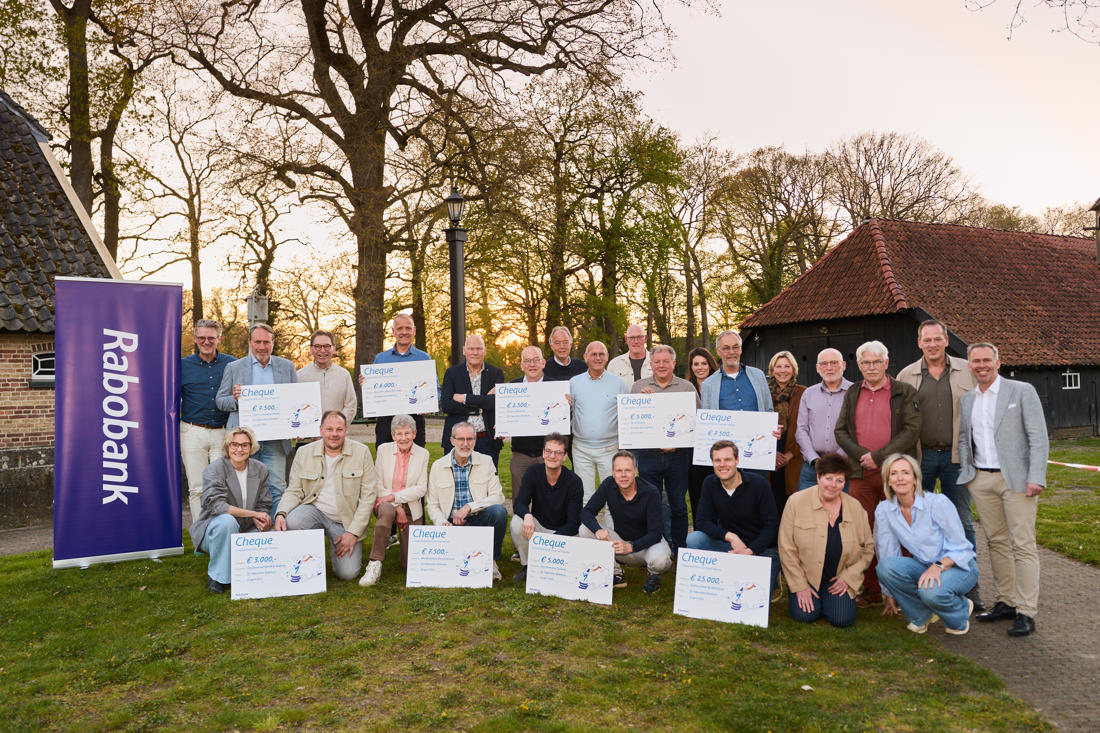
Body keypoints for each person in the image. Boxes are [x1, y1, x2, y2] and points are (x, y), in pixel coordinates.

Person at [958, 342, 1048, 637]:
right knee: (995, 541)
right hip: (982, 480)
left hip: (1018, 481)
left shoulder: (1021, 391)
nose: (981, 365)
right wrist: (969, 475)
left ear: (998, 363)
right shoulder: (968, 399)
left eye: (987, 360)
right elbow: (964, 439)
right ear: (969, 365)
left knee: (1022, 544)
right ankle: (1006, 601)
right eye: (976, 361)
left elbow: (1038, 437)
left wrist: (1036, 476)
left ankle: (1026, 611)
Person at [896, 319, 982, 611]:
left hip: (956, 458)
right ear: (919, 343)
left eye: (937, 339)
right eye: (927, 340)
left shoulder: (967, 371)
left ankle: (969, 586)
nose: (932, 344)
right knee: (916, 521)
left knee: (962, 521)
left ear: (946, 341)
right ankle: (920, 586)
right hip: (919, 459)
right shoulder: (906, 375)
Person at [833, 340, 920, 605]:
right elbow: (840, 431)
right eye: (866, 362)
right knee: (864, 531)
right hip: (861, 474)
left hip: (896, 475)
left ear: (886, 362)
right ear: (859, 365)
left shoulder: (904, 391)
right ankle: (871, 589)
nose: (871, 367)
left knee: (902, 529)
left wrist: (879, 457)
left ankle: (904, 591)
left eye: (876, 362)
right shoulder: (852, 392)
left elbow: (911, 430)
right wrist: (863, 456)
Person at [876, 453, 978, 635]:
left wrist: (938, 566)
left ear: (915, 478)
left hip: (959, 565)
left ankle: (960, 611)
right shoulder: (884, 509)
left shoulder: (937, 503)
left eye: (906, 473)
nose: (900, 478)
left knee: (930, 593)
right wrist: (890, 592)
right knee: (885, 566)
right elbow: (887, 551)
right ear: (888, 481)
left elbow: (962, 548)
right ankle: (921, 616)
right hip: (924, 565)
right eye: (894, 473)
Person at [274, 411, 380, 581]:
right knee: (293, 521)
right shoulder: (304, 452)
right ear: (321, 430)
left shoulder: (362, 452)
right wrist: (281, 513)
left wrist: (353, 533)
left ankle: (336, 547)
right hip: (314, 511)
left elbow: (368, 498)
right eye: (329, 429)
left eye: (339, 429)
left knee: (347, 574)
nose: (334, 434)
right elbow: (294, 490)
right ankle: (309, 558)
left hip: (345, 521)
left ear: (346, 430)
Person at [777, 453, 874, 627]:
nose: (833, 485)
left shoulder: (855, 507)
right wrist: (800, 586)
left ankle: (828, 600)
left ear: (845, 483)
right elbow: (786, 547)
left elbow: (868, 548)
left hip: (837, 579)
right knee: (805, 615)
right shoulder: (795, 502)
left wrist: (848, 577)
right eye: (828, 478)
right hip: (806, 577)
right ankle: (814, 599)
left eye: (839, 481)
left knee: (842, 619)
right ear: (818, 477)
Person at [215, 322, 297, 515]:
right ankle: (248, 529)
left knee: (277, 487)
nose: (262, 346)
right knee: (242, 489)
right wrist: (236, 400)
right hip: (244, 442)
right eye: (257, 342)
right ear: (250, 343)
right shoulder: (234, 367)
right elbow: (220, 401)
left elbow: (295, 402)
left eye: (266, 342)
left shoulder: (287, 367)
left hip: (275, 440)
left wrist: (298, 427)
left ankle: (277, 527)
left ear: (273, 343)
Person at [686, 440, 780, 595]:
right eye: (717, 460)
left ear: (737, 460)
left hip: (762, 549)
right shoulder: (710, 483)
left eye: (727, 459)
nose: (722, 465)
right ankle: (715, 580)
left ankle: (764, 576)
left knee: (754, 596)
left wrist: (751, 550)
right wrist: (730, 536)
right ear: (712, 463)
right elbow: (702, 521)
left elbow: (772, 525)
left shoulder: (759, 484)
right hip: (732, 547)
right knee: (694, 539)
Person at [632, 344, 700, 551]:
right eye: (657, 362)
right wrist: (639, 402)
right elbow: (631, 421)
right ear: (651, 364)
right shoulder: (639, 387)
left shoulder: (687, 388)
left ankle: (679, 548)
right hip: (648, 455)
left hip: (678, 456)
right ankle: (655, 546)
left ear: (674, 363)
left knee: (678, 504)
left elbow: (698, 420)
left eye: (666, 361)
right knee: (650, 502)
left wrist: (679, 442)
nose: (661, 365)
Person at [189, 426, 272, 593]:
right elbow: (218, 506)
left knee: (276, 531)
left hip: (246, 527)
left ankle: (256, 573)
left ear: (251, 447)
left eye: (244, 445)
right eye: (234, 445)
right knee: (227, 522)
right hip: (215, 529)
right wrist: (254, 514)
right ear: (227, 447)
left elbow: (264, 503)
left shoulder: (260, 469)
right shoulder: (215, 469)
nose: (239, 449)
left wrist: (262, 518)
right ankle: (217, 577)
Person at [579, 450, 672, 593]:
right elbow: (586, 512)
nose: (623, 475)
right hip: (620, 544)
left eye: (628, 470)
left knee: (660, 560)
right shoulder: (608, 484)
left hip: (647, 546)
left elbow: (656, 533)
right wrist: (598, 530)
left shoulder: (650, 492)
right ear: (613, 473)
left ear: (635, 471)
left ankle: (653, 574)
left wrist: (631, 546)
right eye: (619, 471)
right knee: (584, 529)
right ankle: (617, 574)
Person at [425, 421, 509, 581]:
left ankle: (490, 558)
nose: (465, 444)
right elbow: (432, 505)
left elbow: (498, 496)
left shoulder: (486, 461)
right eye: (461, 439)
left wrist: (470, 507)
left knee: (499, 512)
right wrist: (442, 523)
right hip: (451, 524)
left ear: (475, 440)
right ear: (452, 440)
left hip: (479, 519)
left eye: (470, 439)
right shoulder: (438, 466)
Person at [359, 414, 429, 587]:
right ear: (393, 435)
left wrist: (395, 497)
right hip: (386, 503)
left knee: (409, 564)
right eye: (399, 434)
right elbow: (377, 483)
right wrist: (397, 506)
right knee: (387, 511)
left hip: (410, 504)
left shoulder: (423, 454)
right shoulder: (383, 450)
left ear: (414, 434)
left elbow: (421, 488)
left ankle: (404, 554)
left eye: (407, 433)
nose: (403, 438)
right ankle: (374, 563)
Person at [699, 330, 779, 480]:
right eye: (726, 348)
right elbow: (707, 422)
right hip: (726, 456)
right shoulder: (708, 384)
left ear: (741, 349)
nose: (731, 352)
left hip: (757, 454)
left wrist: (773, 428)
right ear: (718, 351)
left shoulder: (758, 376)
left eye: (735, 347)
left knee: (757, 490)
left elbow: (768, 410)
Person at [509, 433, 584, 583]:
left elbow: (574, 523)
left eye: (558, 453)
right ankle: (528, 565)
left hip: (566, 533)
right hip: (540, 528)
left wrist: (549, 543)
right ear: (543, 453)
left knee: (583, 533)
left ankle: (557, 565)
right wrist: (528, 516)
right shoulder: (533, 472)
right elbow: (519, 503)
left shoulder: (574, 481)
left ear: (565, 456)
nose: (552, 456)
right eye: (548, 451)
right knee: (517, 522)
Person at [180, 318, 236, 519]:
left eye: (211, 338)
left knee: (222, 486)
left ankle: (221, 531)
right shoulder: (182, 365)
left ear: (219, 339)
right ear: (195, 339)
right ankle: (200, 533)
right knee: (197, 487)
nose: (206, 342)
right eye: (202, 337)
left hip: (223, 433)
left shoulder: (232, 364)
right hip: (192, 431)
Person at [568, 341, 627, 503]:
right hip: (581, 449)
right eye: (593, 354)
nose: (598, 358)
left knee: (613, 495)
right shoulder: (574, 382)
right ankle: (586, 521)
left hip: (610, 448)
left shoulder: (618, 383)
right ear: (586, 357)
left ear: (607, 357)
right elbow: (565, 411)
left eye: (601, 354)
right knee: (584, 496)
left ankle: (611, 521)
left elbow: (626, 415)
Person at [367, 313, 430, 447]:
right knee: (385, 458)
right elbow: (374, 391)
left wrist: (428, 403)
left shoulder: (424, 358)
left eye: (408, 328)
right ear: (393, 332)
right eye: (400, 328)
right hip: (386, 422)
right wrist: (366, 384)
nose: (404, 332)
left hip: (415, 419)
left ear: (414, 330)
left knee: (416, 458)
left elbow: (434, 389)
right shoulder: (381, 359)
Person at [440, 334, 505, 465]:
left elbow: (496, 402)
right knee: (456, 477)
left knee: (487, 477)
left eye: (479, 348)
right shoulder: (452, 373)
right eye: (471, 348)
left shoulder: (496, 373)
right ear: (464, 350)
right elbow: (446, 405)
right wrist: (482, 403)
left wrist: (464, 398)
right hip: (457, 440)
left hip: (487, 440)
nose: (475, 352)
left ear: (484, 351)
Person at [794, 348, 852, 491]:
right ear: (817, 368)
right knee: (806, 504)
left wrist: (836, 459)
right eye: (824, 363)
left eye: (834, 362)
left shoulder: (855, 392)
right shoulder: (808, 394)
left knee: (841, 505)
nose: (829, 367)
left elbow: (857, 431)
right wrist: (813, 458)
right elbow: (801, 430)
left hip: (843, 465)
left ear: (844, 365)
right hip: (812, 466)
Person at [506, 345, 551, 489]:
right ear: (521, 365)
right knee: (520, 497)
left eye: (536, 360)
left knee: (546, 497)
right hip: (520, 455)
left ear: (543, 363)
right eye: (527, 361)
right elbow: (506, 415)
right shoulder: (512, 386)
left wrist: (566, 404)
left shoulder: (555, 386)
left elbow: (563, 418)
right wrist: (501, 425)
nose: (532, 364)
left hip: (547, 454)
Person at [767, 350, 805, 516]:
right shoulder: (763, 392)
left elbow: (808, 427)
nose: (783, 370)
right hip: (768, 456)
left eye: (787, 366)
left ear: (793, 370)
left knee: (793, 505)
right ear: (772, 370)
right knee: (770, 502)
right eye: (779, 366)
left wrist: (790, 454)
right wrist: (770, 454)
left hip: (795, 455)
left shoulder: (804, 393)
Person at [297, 329, 357, 426]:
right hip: (308, 433)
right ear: (311, 349)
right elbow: (295, 406)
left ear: (334, 348)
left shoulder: (344, 375)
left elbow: (351, 405)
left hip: (336, 432)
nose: (322, 350)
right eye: (317, 346)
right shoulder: (299, 376)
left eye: (327, 346)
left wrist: (337, 426)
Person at [686, 346, 718, 522]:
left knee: (718, 490)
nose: (700, 367)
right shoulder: (686, 389)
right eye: (696, 364)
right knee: (697, 491)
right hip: (694, 449)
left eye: (704, 363)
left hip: (718, 447)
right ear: (691, 367)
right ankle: (700, 529)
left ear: (710, 364)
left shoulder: (719, 387)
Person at [607, 323, 652, 389]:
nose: (636, 341)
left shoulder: (657, 361)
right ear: (626, 340)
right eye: (632, 338)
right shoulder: (614, 364)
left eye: (639, 337)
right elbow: (609, 390)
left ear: (645, 338)